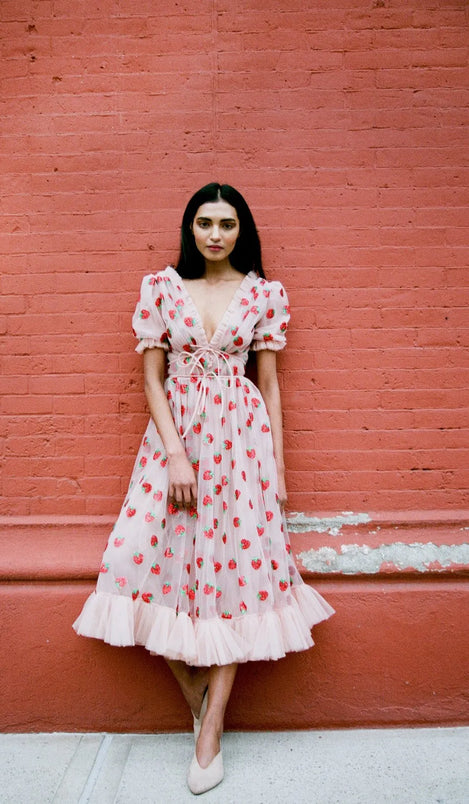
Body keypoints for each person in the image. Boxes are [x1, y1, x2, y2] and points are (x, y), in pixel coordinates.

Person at [73, 183, 335, 795]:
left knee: (236, 580)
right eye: (204, 223)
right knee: (134, 565)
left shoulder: (263, 294)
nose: (215, 234)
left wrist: (277, 465)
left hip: (242, 449)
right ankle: (195, 692)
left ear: (242, 231)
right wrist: (175, 457)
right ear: (189, 228)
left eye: (227, 224)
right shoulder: (162, 288)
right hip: (176, 446)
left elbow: (268, 386)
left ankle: (211, 725)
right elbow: (152, 380)